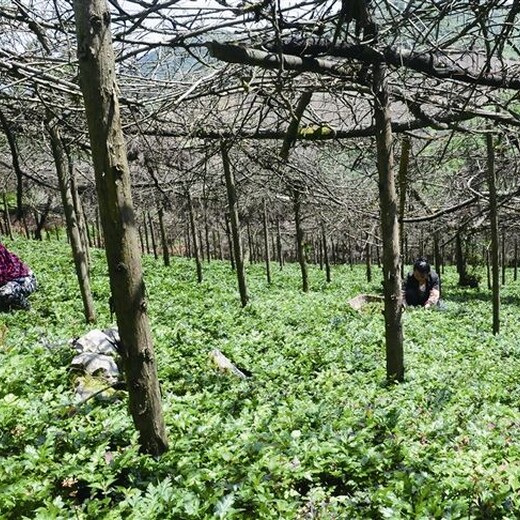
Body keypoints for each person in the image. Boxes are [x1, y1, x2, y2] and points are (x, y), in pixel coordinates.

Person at [0, 241, 37, 311]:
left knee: (6, 293)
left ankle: (27, 309)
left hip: (24, 280)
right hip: (6, 282)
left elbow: (2, 276)